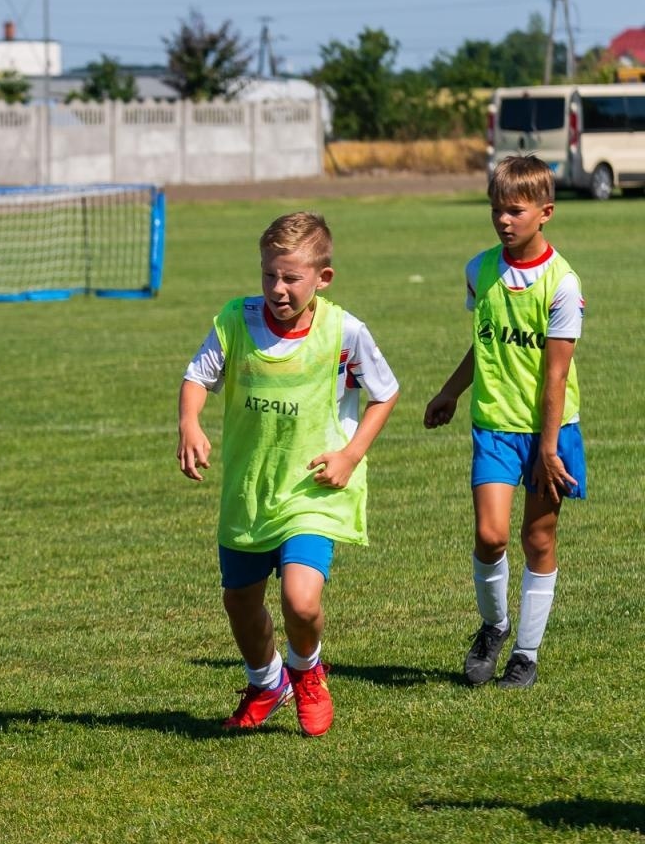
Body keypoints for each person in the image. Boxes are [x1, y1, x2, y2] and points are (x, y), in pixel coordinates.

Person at [177, 212, 397, 737]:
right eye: (269, 274)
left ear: (322, 278)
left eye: (291, 278)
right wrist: (189, 422)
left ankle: (307, 670)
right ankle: (266, 681)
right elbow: (197, 376)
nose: (277, 288)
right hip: (251, 491)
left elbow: (384, 394)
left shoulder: (344, 331)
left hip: (312, 492)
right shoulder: (236, 319)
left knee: (301, 600)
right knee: (240, 602)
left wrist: (350, 456)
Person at [424, 156, 585, 690]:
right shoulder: (479, 270)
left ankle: (527, 653)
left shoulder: (562, 284)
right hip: (493, 423)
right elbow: (486, 341)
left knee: (538, 538)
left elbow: (556, 376)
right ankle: (494, 627)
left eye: (514, 210)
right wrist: (451, 391)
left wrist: (549, 448)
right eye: (496, 209)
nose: (503, 220)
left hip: (549, 431)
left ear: (546, 213)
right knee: (490, 536)